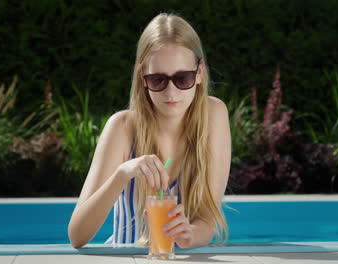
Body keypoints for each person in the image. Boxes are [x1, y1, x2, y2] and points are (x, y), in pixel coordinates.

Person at [68, 13, 231, 249]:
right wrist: (123, 173)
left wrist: (189, 235)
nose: (171, 92)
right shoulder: (122, 128)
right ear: (142, 78)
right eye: (158, 80)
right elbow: (77, 235)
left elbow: (207, 220)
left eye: (182, 78)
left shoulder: (213, 116)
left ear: (199, 73)